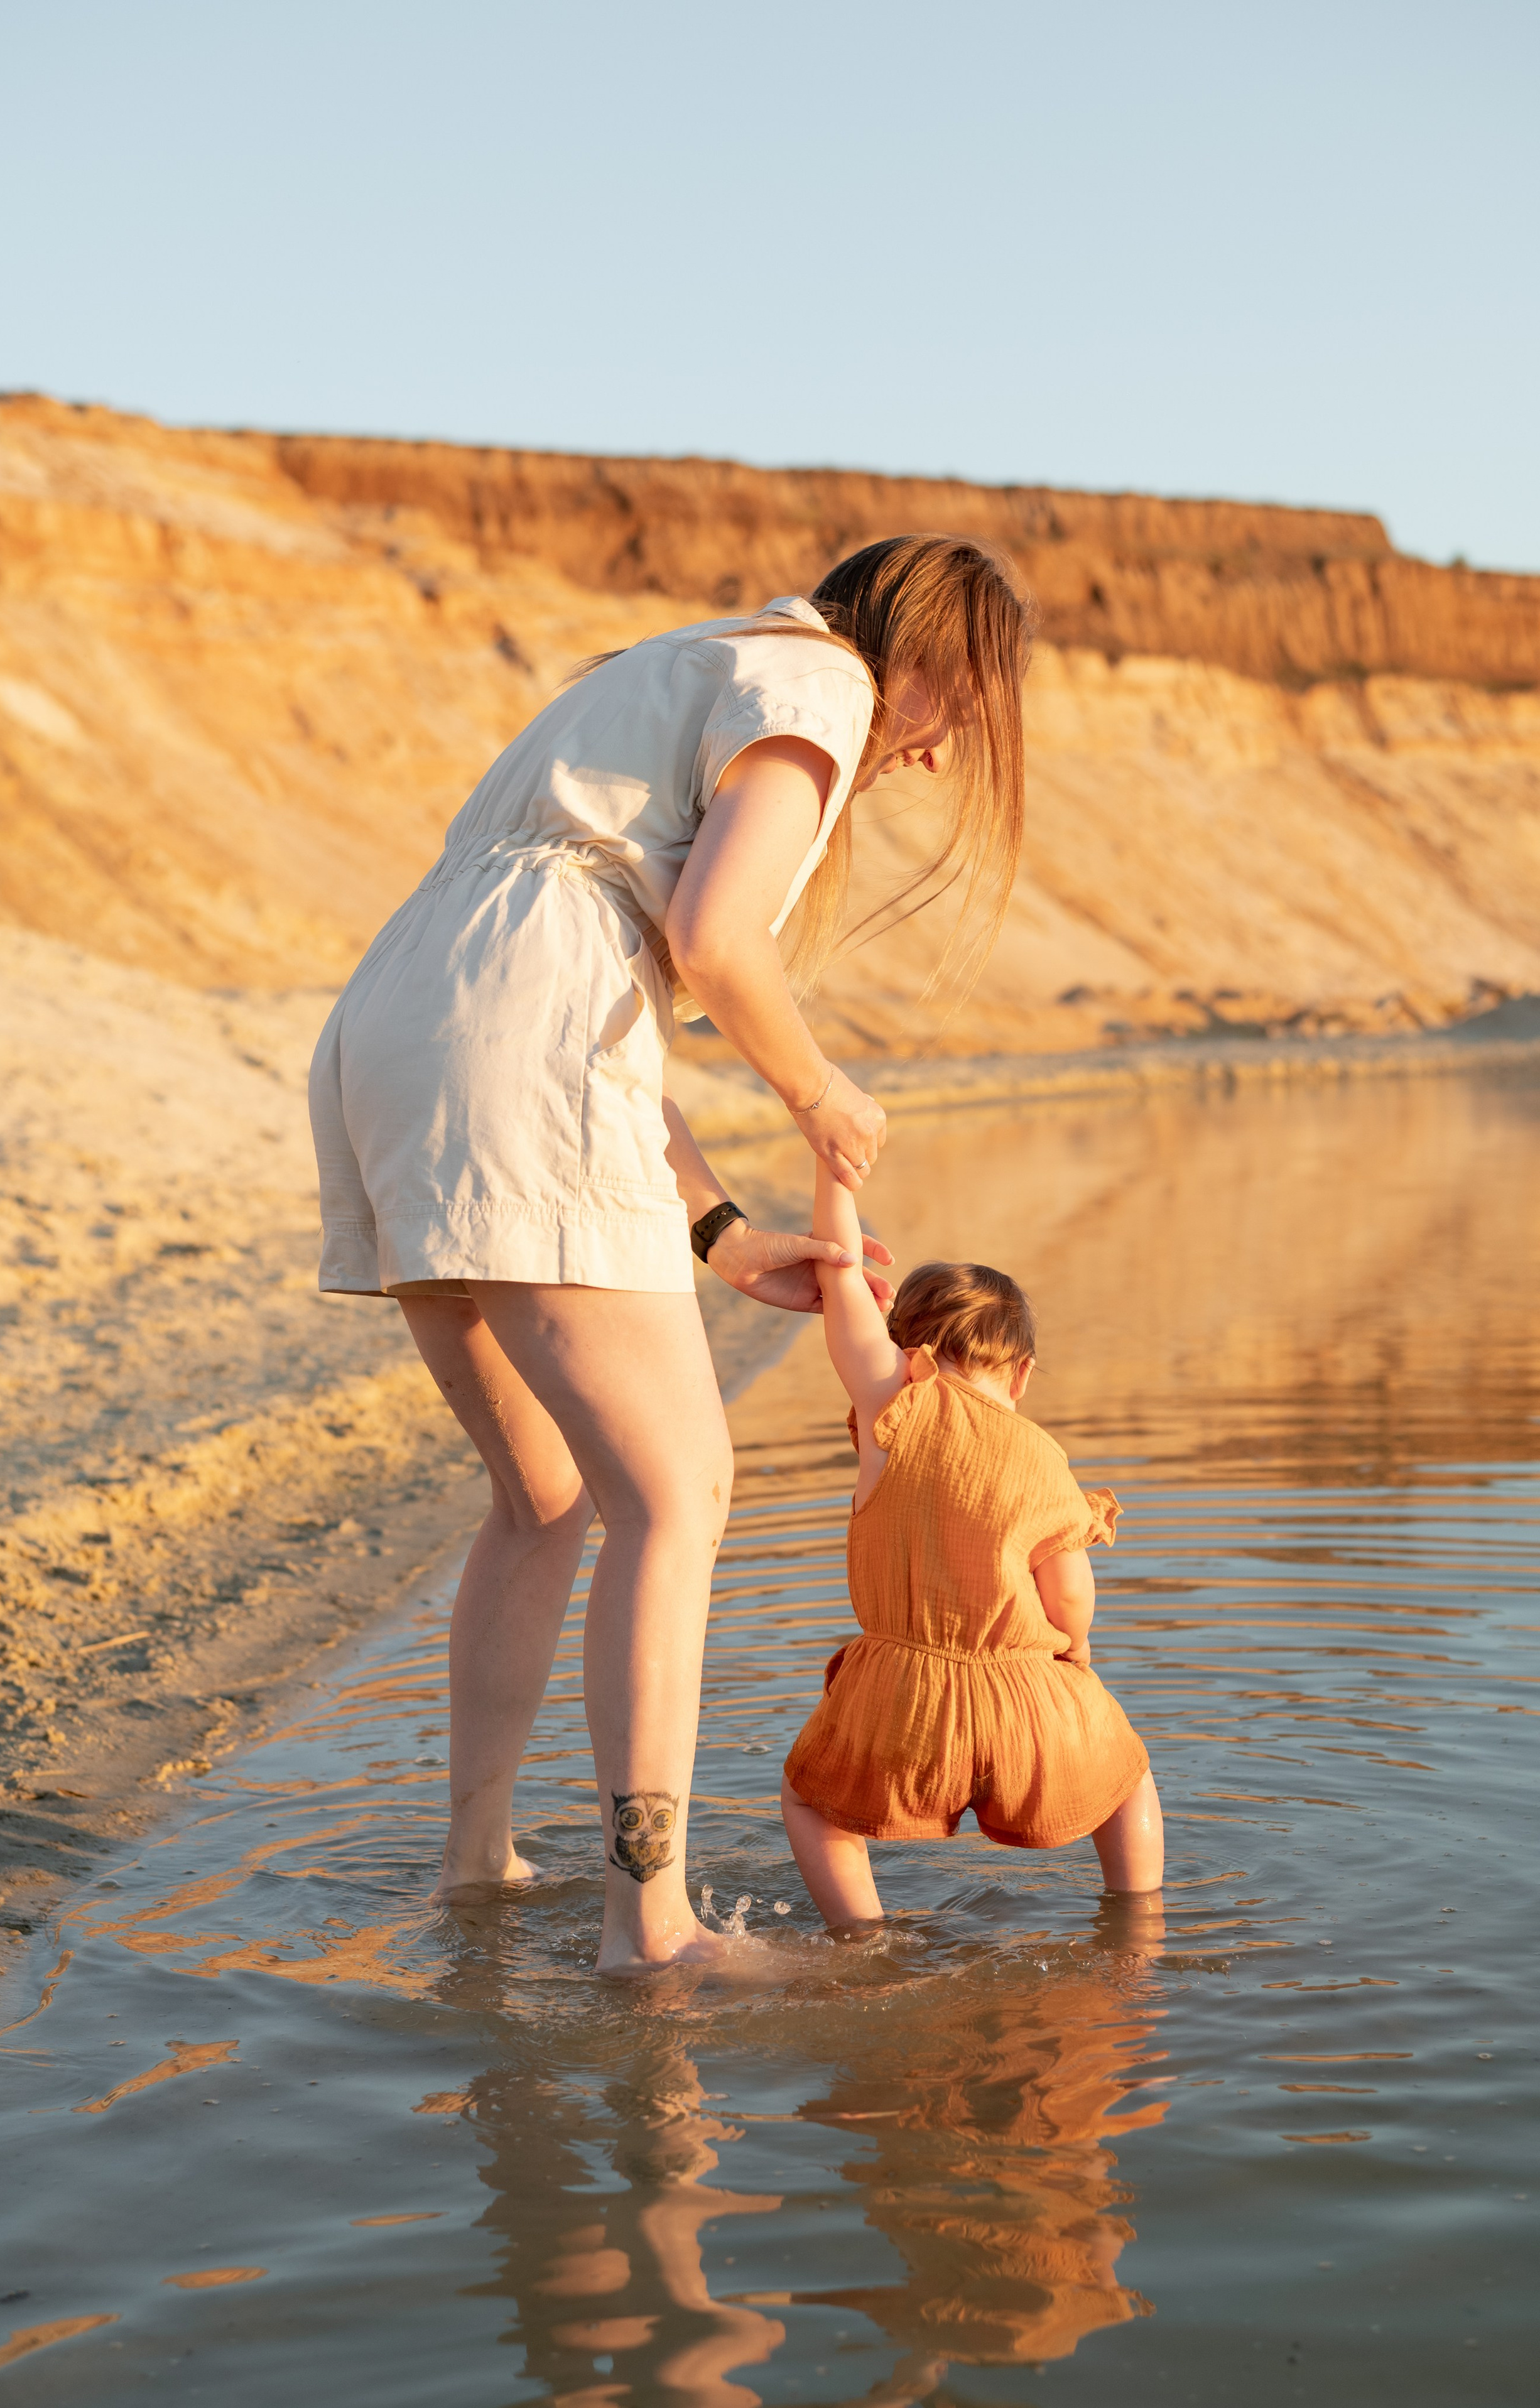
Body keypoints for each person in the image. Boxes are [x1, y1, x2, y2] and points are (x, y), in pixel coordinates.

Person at [309, 534, 1035, 1972]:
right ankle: (648, 1924)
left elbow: (576, 982)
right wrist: (820, 1094)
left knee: (545, 1491)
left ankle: (476, 1858)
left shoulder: (679, 663)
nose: (941, 754)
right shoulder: (819, 686)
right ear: (929, 659)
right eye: (959, 707)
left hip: (394, 1028)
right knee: (680, 1489)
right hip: (514, 1040)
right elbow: (704, 942)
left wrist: (710, 1225)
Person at [781, 1157, 1164, 1919]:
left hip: (900, 1703)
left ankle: (863, 1941)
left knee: (810, 1803)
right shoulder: (1044, 1460)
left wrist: (837, 1176)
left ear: (905, 1352)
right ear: (1021, 1375)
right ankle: (1139, 1924)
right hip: (1028, 1699)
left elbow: (844, 1277)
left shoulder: (890, 1407)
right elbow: (1070, 1596)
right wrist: (1075, 1654)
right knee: (1126, 1781)